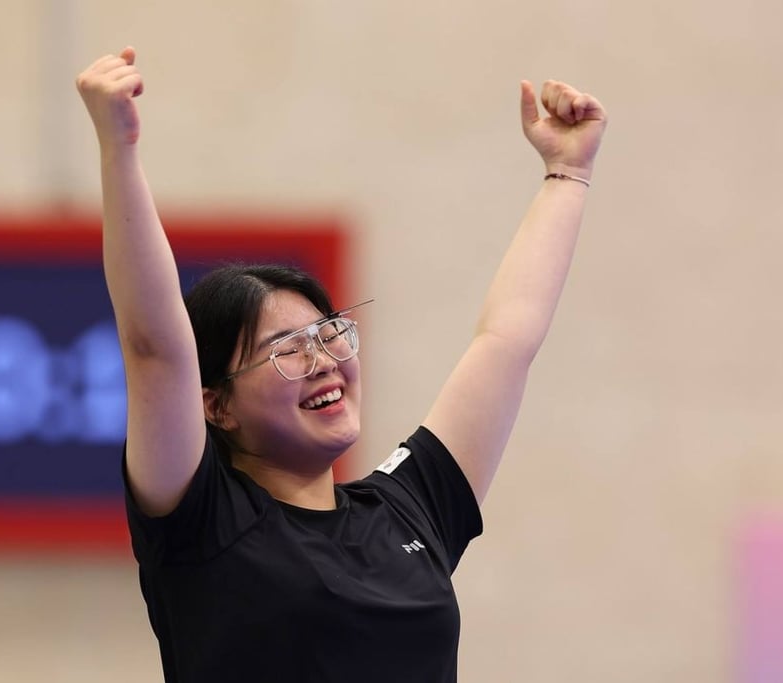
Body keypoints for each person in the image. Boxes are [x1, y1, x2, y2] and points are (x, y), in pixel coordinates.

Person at [76, 46, 607, 683]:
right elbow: (155, 349)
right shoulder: (201, 521)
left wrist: (567, 174)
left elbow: (505, 341)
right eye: (288, 350)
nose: (325, 362)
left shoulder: (409, 508)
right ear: (214, 403)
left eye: (329, 335)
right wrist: (118, 145)